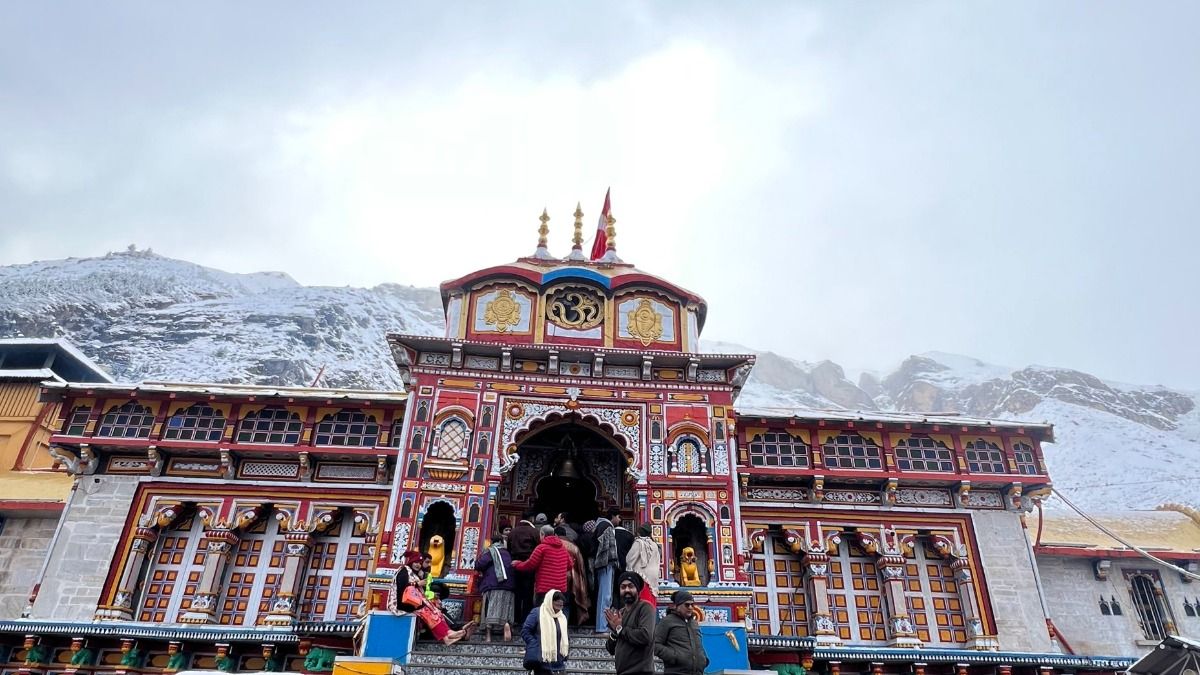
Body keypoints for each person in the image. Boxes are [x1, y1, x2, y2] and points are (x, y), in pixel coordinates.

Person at [604, 572, 656, 675]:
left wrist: (619, 628)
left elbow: (645, 636)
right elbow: (610, 649)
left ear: (637, 589)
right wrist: (614, 632)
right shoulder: (621, 613)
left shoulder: (645, 608)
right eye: (623, 587)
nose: (627, 590)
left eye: (631, 586)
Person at [514, 525, 572, 610]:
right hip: (560, 588)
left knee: (543, 613)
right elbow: (570, 565)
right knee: (556, 613)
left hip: (544, 588)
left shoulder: (541, 548)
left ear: (542, 534)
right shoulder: (563, 549)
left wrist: (517, 564)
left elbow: (530, 564)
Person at [401, 581, 477, 645]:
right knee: (435, 614)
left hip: (437, 625)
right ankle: (459, 633)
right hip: (426, 629)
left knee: (441, 613)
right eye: (435, 596)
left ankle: (459, 630)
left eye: (438, 596)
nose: (438, 599)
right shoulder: (422, 598)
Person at [654, 590, 709, 675]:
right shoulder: (667, 621)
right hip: (676, 672)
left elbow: (699, 645)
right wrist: (674, 657)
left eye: (692, 604)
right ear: (677, 606)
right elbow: (655, 644)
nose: (690, 607)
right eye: (687, 605)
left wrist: (703, 659)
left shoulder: (694, 623)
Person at [475, 532, 516, 642]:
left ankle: (488, 635)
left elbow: (479, 565)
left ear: (492, 542)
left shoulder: (490, 551)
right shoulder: (507, 553)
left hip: (493, 584)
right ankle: (506, 626)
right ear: (503, 542)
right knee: (506, 608)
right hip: (509, 585)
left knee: (490, 608)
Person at [521, 591, 569, 675]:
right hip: (541, 663)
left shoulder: (562, 617)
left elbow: (565, 636)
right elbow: (525, 631)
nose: (558, 609)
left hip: (559, 665)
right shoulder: (537, 613)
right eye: (556, 606)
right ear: (550, 602)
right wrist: (535, 643)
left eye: (561, 607)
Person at [555, 525, 591, 625]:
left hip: (553, 579)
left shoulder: (552, 545)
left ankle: (554, 627)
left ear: (555, 534)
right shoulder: (574, 547)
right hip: (570, 580)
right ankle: (563, 625)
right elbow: (581, 567)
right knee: (565, 603)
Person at [509, 514, 540, 624]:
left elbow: (509, 547)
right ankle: (526, 618)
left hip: (514, 564)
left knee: (517, 592)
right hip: (529, 564)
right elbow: (538, 548)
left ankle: (515, 617)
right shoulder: (534, 532)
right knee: (528, 592)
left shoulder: (513, 532)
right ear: (531, 519)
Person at [592, 513, 619, 633]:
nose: (619, 520)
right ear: (612, 516)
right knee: (606, 596)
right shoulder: (607, 526)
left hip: (600, 564)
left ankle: (601, 624)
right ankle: (602, 626)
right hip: (606, 563)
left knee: (603, 595)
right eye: (618, 517)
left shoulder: (599, 525)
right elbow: (608, 547)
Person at [626, 524, 661, 606]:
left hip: (641, 576)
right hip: (653, 578)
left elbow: (630, 559)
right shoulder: (654, 544)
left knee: (641, 602)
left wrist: (628, 574)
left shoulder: (639, 543)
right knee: (650, 601)